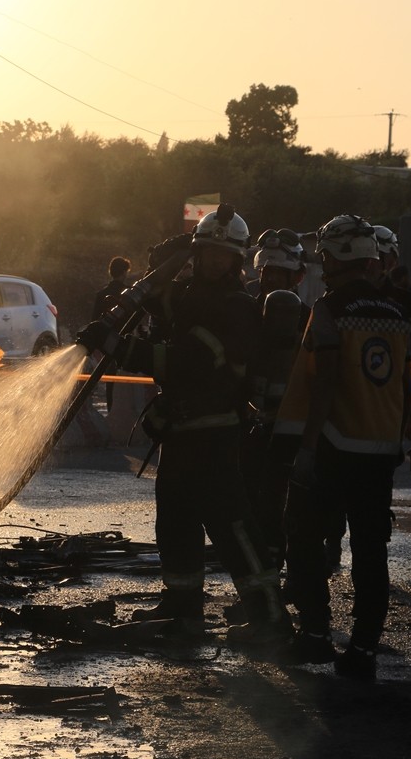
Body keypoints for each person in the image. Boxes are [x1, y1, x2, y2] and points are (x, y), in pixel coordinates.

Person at [77, 204, 289, 647]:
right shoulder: (192, 294)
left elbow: (185, 363)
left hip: (215, 432)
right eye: (207, 252)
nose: (214, 261)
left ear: (237, 261)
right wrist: (160, 267)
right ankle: (183, 608)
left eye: (223, 255)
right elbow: (164, 299)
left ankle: (269, 616)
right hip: (178, 430)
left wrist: (116, 344)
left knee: (231, 526)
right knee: (175, 519)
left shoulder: (237, 307)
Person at [276, 214, 411, 680]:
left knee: (307, 539)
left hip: (333, 447)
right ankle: (364, 650)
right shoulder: (396, 313)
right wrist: (398, 438)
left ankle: (315, 636)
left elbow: (326, 381)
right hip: (378, 451)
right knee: (371, 551)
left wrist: (308, 447)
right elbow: (405, 386)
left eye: (327, 255)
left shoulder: (330, 308)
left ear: (337, 256)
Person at [242, 228, 309, 572]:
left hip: (291, 428)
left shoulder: (311, 317)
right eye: (267, 272)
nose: (271, 281)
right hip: (249, 422)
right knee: (250, 500)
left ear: (297, 276)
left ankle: (290, 572)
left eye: (279, 274)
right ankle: (259, 576)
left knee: (284, 502)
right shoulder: (246, 312)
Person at [92, 257, 133, 411]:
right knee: (126, 383)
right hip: (126, 342)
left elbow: (94, 321)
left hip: (106, 343)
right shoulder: (129, 294)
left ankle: (111, 410)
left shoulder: (102, 294)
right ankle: (124, 412)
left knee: (110, 379)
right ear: (124, 273)